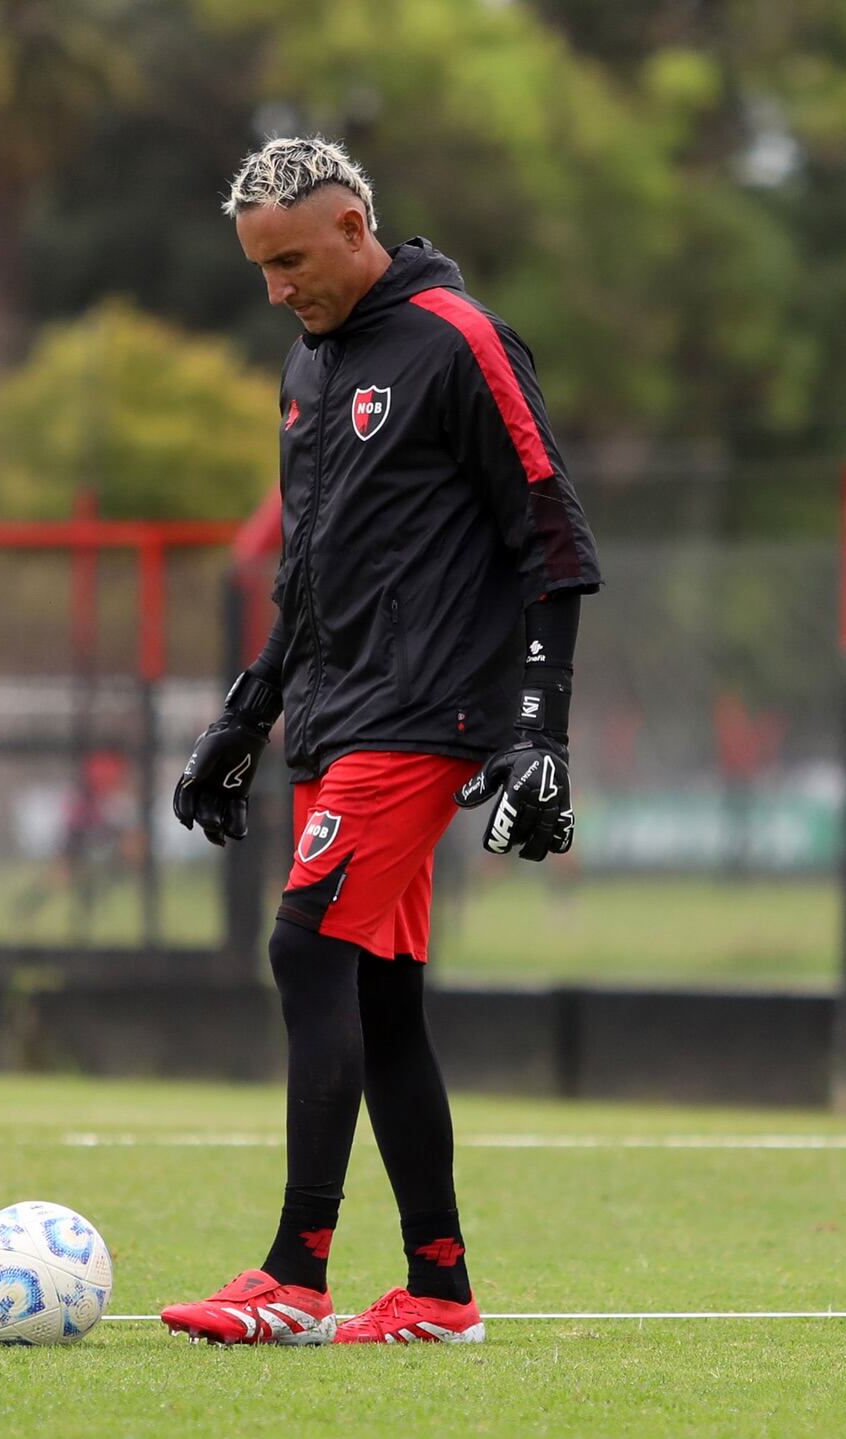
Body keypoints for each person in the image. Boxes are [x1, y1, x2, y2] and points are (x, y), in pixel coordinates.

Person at [165, 136, 601, 1346]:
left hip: (425, 714)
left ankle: (294, 1273)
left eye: (292, 260)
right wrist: (243, 716)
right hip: (335, 713)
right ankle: (437, 1288)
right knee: (378, 993)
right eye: (260, 268)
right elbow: (307, 578)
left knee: (304, 950)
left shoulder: (460, 337)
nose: (276, 290)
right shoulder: (309, 366)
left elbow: (551, 535)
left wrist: (537, 731)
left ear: (356, 225)